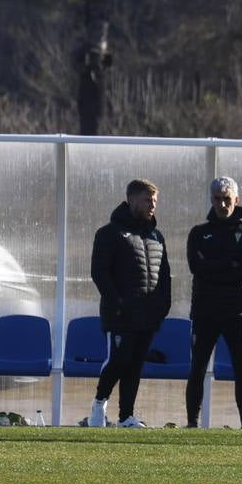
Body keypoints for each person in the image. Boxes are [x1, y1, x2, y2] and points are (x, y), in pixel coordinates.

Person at [88, 179, 172, 428]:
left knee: (135, 365)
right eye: (148, 200)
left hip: (147, 316)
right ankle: (98, 405)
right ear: (132, 200)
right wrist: (119, 303)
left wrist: (162, 306)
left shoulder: (156, 236)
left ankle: (126, 416)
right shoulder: (109, 233)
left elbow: (164, 276)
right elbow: (99, 273)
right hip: (120, 315)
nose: (152, 205)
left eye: (155, 201)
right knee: (119, 360)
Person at [185, 176, 242, 429]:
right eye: (217, 199)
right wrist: (230, 264)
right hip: (205, 311)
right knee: (197, 368)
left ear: (236, 200)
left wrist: (213, 266)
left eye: (227, 199)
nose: (222, 204)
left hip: (238, 312)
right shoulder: (198, 233)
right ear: (211, 200)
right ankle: (192, 423)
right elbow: (196, 267)